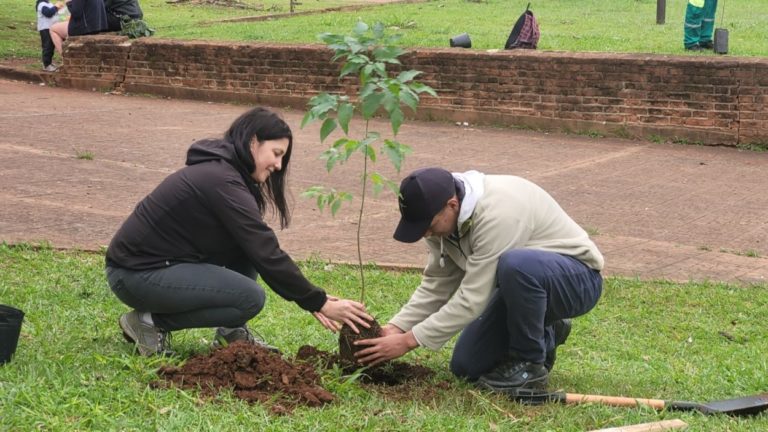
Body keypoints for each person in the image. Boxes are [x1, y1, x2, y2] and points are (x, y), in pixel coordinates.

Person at [105, 107, 373, 356]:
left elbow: (256, 247)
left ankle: (230, 333)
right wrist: (318, 301)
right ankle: (147, 322)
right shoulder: (221, 180)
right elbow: (266, 250)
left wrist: (315, 299)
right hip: (135, 274)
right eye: (276, 153)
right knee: (249, 298)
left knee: (246, 250)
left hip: (163, 266)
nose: (279, 165)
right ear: (253, 142)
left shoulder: (229, 175)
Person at [354, 167, 604, 393]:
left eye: (427, 226)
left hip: (576, 280)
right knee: (466, 366)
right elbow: (437, 284)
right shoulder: (438, 219)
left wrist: (409, 341)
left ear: (452, 205)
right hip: (521, 289)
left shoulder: (500, 212)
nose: (426, 233)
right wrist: (395, 328)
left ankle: (530, 366)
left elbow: (473, 299)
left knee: (517, 265)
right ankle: (547, 327)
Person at [36, 0, 63, 71]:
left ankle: (49, 63)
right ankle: (46, 65)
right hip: (45, 28)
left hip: (52, 28)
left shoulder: (49, 3)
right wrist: (56, 7)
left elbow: (53, 11)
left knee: (51, 46)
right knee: (47, 46)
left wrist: (58, 8)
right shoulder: (41, 4)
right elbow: (48, 13)